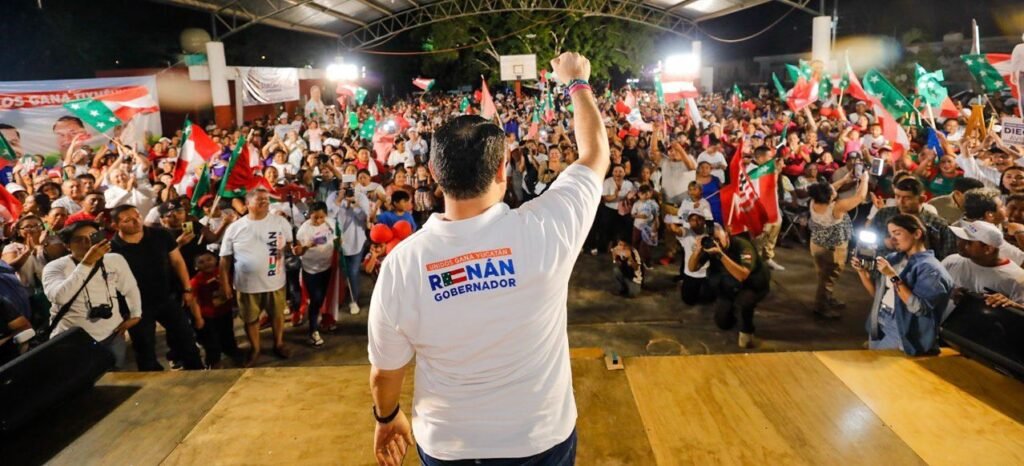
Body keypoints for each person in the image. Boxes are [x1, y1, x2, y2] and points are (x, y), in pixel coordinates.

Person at [367, 52, 604, 465]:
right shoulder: (547, 228)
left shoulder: (402, 264)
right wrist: (576, 81)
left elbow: (385, 372)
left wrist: (386, 418)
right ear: (501, 170)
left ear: (434, 174)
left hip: (448, 444)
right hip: (540, 439)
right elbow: (595, 154)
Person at [109, 205, 204, 371]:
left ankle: (197, 371)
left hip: (167, 297)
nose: (136, 222)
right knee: (144, 348)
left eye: (137, 216)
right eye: (128, 220)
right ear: (116, 225)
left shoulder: (160, 235)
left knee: (186, 338)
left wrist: (187, 289)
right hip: (136, 307)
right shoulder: (112, 248)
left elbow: (177, 261)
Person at [42, 221, 142, 369]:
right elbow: (60, 297)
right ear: (67, 245)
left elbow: (130, 288)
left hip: (112, 335)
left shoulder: (115, 259)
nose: (88, 243)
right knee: (80, 379)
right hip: (73, 339)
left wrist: (136, 314)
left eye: (93, 236)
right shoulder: (55, 267)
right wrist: (86, 264)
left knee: (115, 375)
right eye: (79, 239)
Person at [852, 214, 953, 355]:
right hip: (880, 318)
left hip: (900, 326)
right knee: (873, 361)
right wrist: (862, 272)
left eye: (897, 233)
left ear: (917, 234)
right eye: (890, 234)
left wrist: (892, 276)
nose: (892, 239)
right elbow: (877, 295)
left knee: (882, 364)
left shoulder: (931, 270)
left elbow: (918, 307)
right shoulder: (893, 259)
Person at [220, 188, 294, 367]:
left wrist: (296, 249)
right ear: (247, 204)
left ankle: (279, 343)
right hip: (247, 286)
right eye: (260, 199)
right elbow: (225, 259)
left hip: (275, 281)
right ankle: (255, 348)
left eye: (266, 199)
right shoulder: (235, 228)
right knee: (251, 319)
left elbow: (289, 245)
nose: (265, 202)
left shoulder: (280, 222)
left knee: (277, 315)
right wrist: (225, 284)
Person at [690, 226, 771, 349]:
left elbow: (742, 275)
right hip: (730, 286)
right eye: (713, 239)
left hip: (751, 285)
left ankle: (747, 330)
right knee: (723, 323)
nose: (716, 243)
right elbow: (692, 268)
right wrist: (697, 251)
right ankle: (732, 311)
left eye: (718, 239)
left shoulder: (743, 246)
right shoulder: (711, 247)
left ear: (727, 235)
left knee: (745, 301)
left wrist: (721, 255)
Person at [806, 173, 870, 318]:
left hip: (816, 244)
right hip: (833, 249)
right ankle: (821, 307)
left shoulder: (814, 201)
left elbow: (828, 189)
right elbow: (860, 197)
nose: (834, 190)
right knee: (828, 277)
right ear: (829, 197)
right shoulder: (836, 207)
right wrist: (865, 179)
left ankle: (827, 298)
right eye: (832, 192)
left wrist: (844, 179)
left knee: (823, 275)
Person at [942, 220, 1024, 322]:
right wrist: (950, 293)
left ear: (988, 249)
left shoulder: (1017, 278)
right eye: (961, 239)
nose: (960, 244)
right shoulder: (952, 261)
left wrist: (1011, 305)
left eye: (968, 242)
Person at [869, 177, 956, 259]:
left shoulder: (937, 225)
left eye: (907, 198)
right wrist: (884, 242)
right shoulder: (883, 214)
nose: (900, 202)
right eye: (897, 196)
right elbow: (866, 241)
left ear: (922, 199)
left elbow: (947, 258)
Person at [292, 202, 335, 347]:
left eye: (321, 217)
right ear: (309, 215)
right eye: (315, 217)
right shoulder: (304, 229)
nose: (318, 220)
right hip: (311, 270)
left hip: (327, 267)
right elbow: (299, 251)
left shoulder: (330, 223)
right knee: (316, 300)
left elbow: (335, 238)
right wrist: (305, 246)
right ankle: (313, 331)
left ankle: (322, 322)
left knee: (322, 298)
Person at [190, 250, 240, 368]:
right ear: (196, 266)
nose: (206, 263)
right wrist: (198, 318)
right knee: (211, 341)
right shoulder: (196, 281)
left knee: (228, 334)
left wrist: (235, 305)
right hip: (207, 316)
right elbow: (193, 301)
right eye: (201, 262)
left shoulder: (222, 273)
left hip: (225, 312)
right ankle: (213, 361)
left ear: (216, 259)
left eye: (209, 259)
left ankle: (232, 351)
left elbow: (231, 289)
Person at [961, 187, 1024, 265]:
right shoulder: (990, 239)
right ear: (990, 215)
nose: (1005, 208)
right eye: (1001, 206)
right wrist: (1020, 232)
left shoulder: (962, 224)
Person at [672, 211, 715, 305]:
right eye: (692, 220)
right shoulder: (686, 232)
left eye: (699, 219)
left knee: (708, 300)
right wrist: (674, 218)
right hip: (691, 274)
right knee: (688, 301)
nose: (696, 222)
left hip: (707, 274)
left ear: (704, 220)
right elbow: (675, 229)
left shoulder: (710, 231)